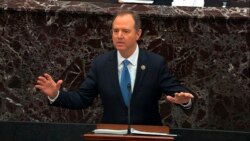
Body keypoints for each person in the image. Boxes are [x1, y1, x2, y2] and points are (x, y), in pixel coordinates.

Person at [35, 10, 194, 125]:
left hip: (148, 135)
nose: (119, 35)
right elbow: (82, 99)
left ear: (138, 34)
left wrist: (184, 101)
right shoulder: (101, 64)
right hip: (110, 134)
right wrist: (56, 95)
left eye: (125, 31)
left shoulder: (155, 63)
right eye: (115, 30)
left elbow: (179, 92)